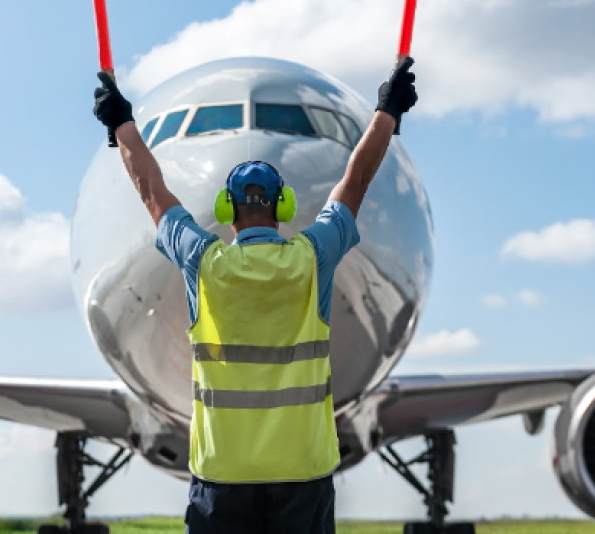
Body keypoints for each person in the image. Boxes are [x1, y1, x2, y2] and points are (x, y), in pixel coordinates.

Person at [93, 59, 418, 534]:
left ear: (226, 209)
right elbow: (357, 177)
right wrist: (386, 112)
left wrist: (121, 124)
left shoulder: (205, 263)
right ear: (283, 206)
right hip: (302, 475)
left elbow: (150, 189)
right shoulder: (311, 257)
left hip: (223, 476)